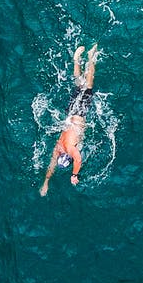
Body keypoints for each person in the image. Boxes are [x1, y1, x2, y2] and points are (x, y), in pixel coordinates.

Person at [39, 44, 98, 196]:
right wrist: (46, 182)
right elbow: (51, 166)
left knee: (89, 84)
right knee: (78, 86)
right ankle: (76, 61)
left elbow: (78, 160)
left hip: (79, 113)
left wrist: (74, 175)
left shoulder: (71, 150)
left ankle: (91, 57)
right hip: (70, 112)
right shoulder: (58, 147)